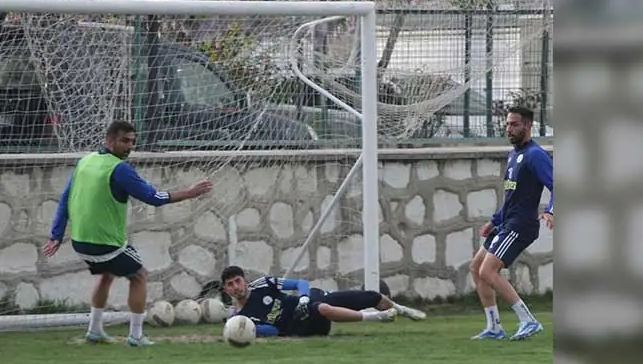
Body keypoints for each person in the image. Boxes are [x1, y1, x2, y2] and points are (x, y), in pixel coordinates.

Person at [42, 121, 213, 346]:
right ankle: (136, 335)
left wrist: (56, 235)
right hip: (105, 244)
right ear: (109, 141)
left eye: (133, 141)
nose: (129, 146)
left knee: (107, 275)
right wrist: (190, 193)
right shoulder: (120, 169)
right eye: (124, 141)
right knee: (139, 275)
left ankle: (94, 331)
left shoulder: (85, 161)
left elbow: (65, 198)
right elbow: (154, 198)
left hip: (81, 242)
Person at [469, 106, 554, 341]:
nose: (509, 128)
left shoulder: (535, 155)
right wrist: (493, 221)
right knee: (477, 268)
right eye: (507, 124)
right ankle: (494, 327)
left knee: (488, 270)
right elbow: (511, 196)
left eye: (514, 124)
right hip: (506, 222)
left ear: (527, 126)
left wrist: (551, 211)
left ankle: (528, 320)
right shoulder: (514, 154)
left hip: (521, 225)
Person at [219, 266, 426, 338]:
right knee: (323, 308)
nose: (236, 286)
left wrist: (303, 298)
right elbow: (273, 332)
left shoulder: (263, 284)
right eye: (230, 284)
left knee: (372, 296)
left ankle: (402, 309)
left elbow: (301, 283)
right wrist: (256, 330)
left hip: (308, 302)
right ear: (226, 290)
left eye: (238, 281)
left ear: (244, 280)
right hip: (300, 326)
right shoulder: (240, 319)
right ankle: (378, 318)